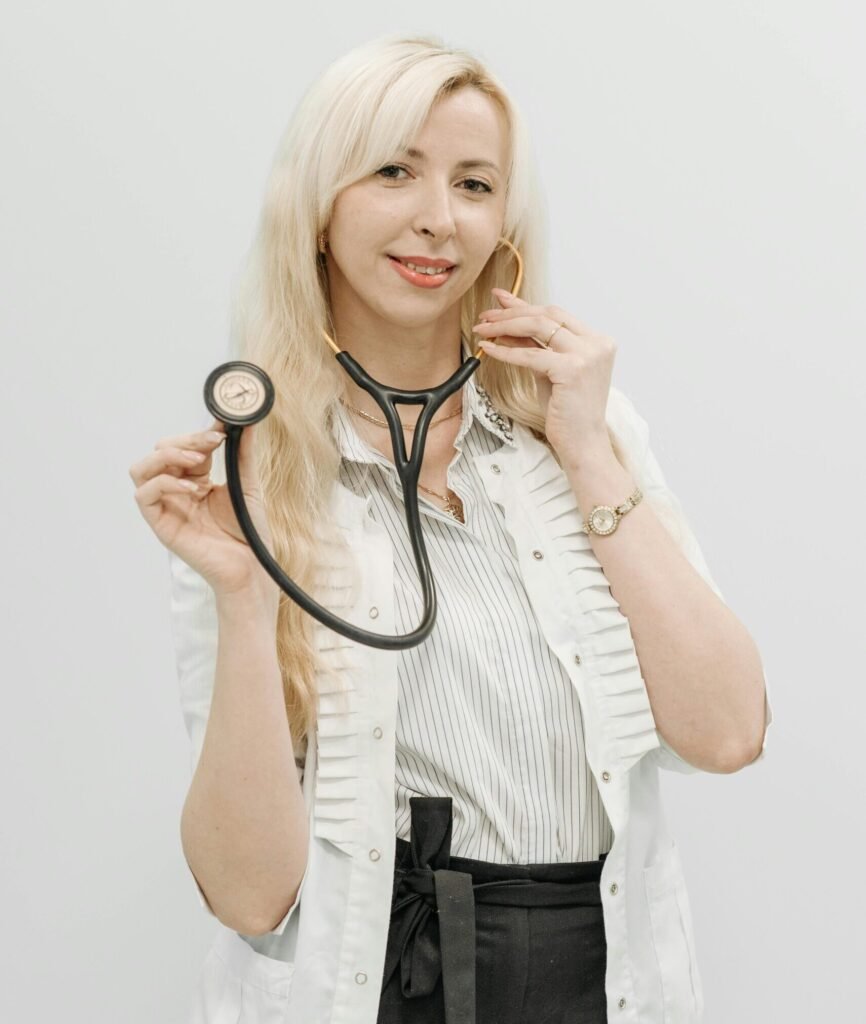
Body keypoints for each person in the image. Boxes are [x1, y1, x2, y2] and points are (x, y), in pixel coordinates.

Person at [129, 33, 773, 1024]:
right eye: (393, 170)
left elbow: (727, 732)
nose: (437, 220)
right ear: (317, 207)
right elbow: (249, 894)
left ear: (503, 223)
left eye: (474, 185)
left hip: (597, 974)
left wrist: (588, 452)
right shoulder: (252, 481)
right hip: (384, 975)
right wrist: (243, 601)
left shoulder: (582, 434)